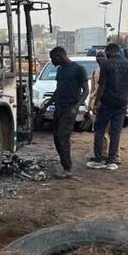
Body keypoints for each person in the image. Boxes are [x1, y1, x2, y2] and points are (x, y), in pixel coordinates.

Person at [87, 43, 128, 170]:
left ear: (109, 51)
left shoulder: (106, 65)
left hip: (107, 102)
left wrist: (96, 103)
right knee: (115, 132)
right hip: (121, 103)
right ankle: (112, 161)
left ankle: (99, 159)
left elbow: (102, 85)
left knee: (99, 130)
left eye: (105, 52)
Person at [44, 47, 88, 178]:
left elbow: (85, 91)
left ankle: (67, 168)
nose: (52, 62)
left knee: (63, 137)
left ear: (59, 56)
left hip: (70, 108)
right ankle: (65, 164)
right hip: (59, 107)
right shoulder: (60, 70)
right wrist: (47, 104)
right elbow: (58, 90)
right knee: (57, 138)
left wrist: (76, 107)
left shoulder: (79, 69)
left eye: (53, 59)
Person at [87, 50, 112, 161]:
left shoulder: (110, 70)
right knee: (99, 132)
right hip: (95, 105)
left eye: (102, 56)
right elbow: (92, 90)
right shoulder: (95, 71)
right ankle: (102, 153)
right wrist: (89, 107)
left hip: (104, 105)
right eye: (98, 56)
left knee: (104, 132)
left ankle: (105, 154)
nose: (100, 58)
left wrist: (99, 103)